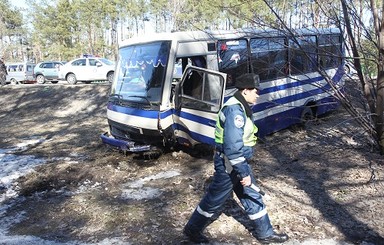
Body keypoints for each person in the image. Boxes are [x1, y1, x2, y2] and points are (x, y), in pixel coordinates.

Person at [183, 73, 289, 244]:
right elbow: (232, 148)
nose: (257, 94)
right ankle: (192, 230)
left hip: (236, 162)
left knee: (251, 194)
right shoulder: (235, 110)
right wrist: (243, 173)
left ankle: (265, 233)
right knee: (215, 199)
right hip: (229, 165)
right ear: (245, 91)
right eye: (255, 91)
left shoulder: (240, 105)